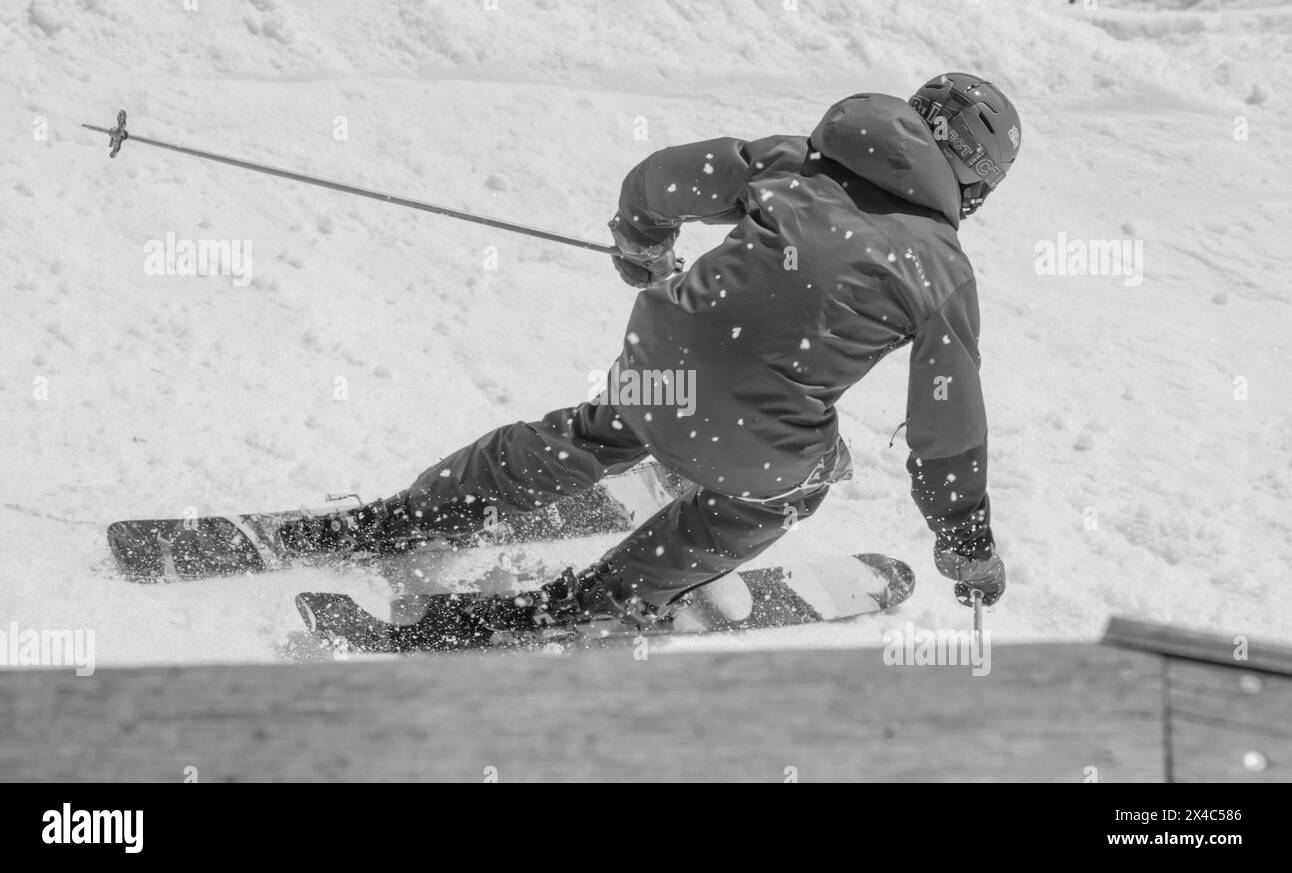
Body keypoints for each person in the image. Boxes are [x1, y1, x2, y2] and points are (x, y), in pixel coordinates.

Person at [283, 72, 1019, 631]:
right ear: (975, 184)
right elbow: (946, 432)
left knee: (598, 429)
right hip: (757, 436)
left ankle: (407, 517)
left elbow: (663, 178)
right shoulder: (943, 269)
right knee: (797, 483)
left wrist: (642, 240)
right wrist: (967, 539)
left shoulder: (804, 158)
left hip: (661, 361)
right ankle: (606, 599)